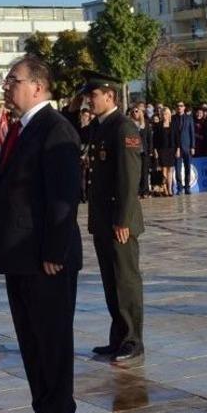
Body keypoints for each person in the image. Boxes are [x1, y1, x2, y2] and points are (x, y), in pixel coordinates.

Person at [0, 55, 82, 413]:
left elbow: (63, 198)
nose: (7, 87)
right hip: (21, 257)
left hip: (46, 259)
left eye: (13, 80)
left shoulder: (55, 129)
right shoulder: (20, 129)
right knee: (31, 338)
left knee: (52, 339)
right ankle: (43, 411)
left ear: (38, 86)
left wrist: (55, 252)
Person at [83, 71, 145, 363]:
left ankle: (133, 340)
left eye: (93, 96)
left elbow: (129, 179)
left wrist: (123, 219)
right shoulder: (99, 127)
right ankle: (118, 337)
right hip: (103, 218)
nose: (88, 101)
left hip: (119, 220)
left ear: (109, 96)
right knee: (111, 281)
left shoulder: (123, 128)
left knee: (126, 280)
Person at [172, 102, 196, 194]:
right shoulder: (173, 118)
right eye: (178, 106)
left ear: (184, 107)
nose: (179, 107)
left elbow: (192, 133)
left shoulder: (189, 118)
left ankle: (187, 187)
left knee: (187, 168)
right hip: (177, 148)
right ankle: (179, 188)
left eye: (181, 106)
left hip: (187, 146)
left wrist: (193, 146)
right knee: (177, 169)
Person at [153, 107, 177, 197]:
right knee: (164, 169)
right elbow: (155, 139)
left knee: (170, 169)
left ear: (169, 115)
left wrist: (177, 149)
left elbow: (176, 138)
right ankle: (165, 189)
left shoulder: (173, 124)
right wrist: (155, 150)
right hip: (162, 149)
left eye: (166, 114)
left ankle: (170, 188)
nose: (165, 115)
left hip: (171, 149)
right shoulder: (158, 125)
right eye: (163, 114)